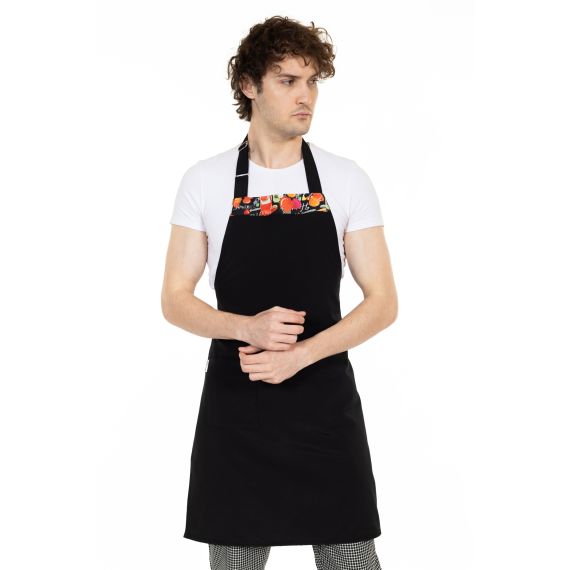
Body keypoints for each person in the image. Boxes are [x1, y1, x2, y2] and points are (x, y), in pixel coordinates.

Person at [161, 15, 398, 570]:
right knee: (235, 564)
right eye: (288, 81)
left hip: (324, 409)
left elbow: (383, 301)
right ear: (249, 85)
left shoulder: (345, 179)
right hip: (238, 409)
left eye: (312, 82)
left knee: (350, 559)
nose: (305, 96)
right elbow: (174, 298)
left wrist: (301, 355)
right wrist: (245, 327)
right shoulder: (205, 181)